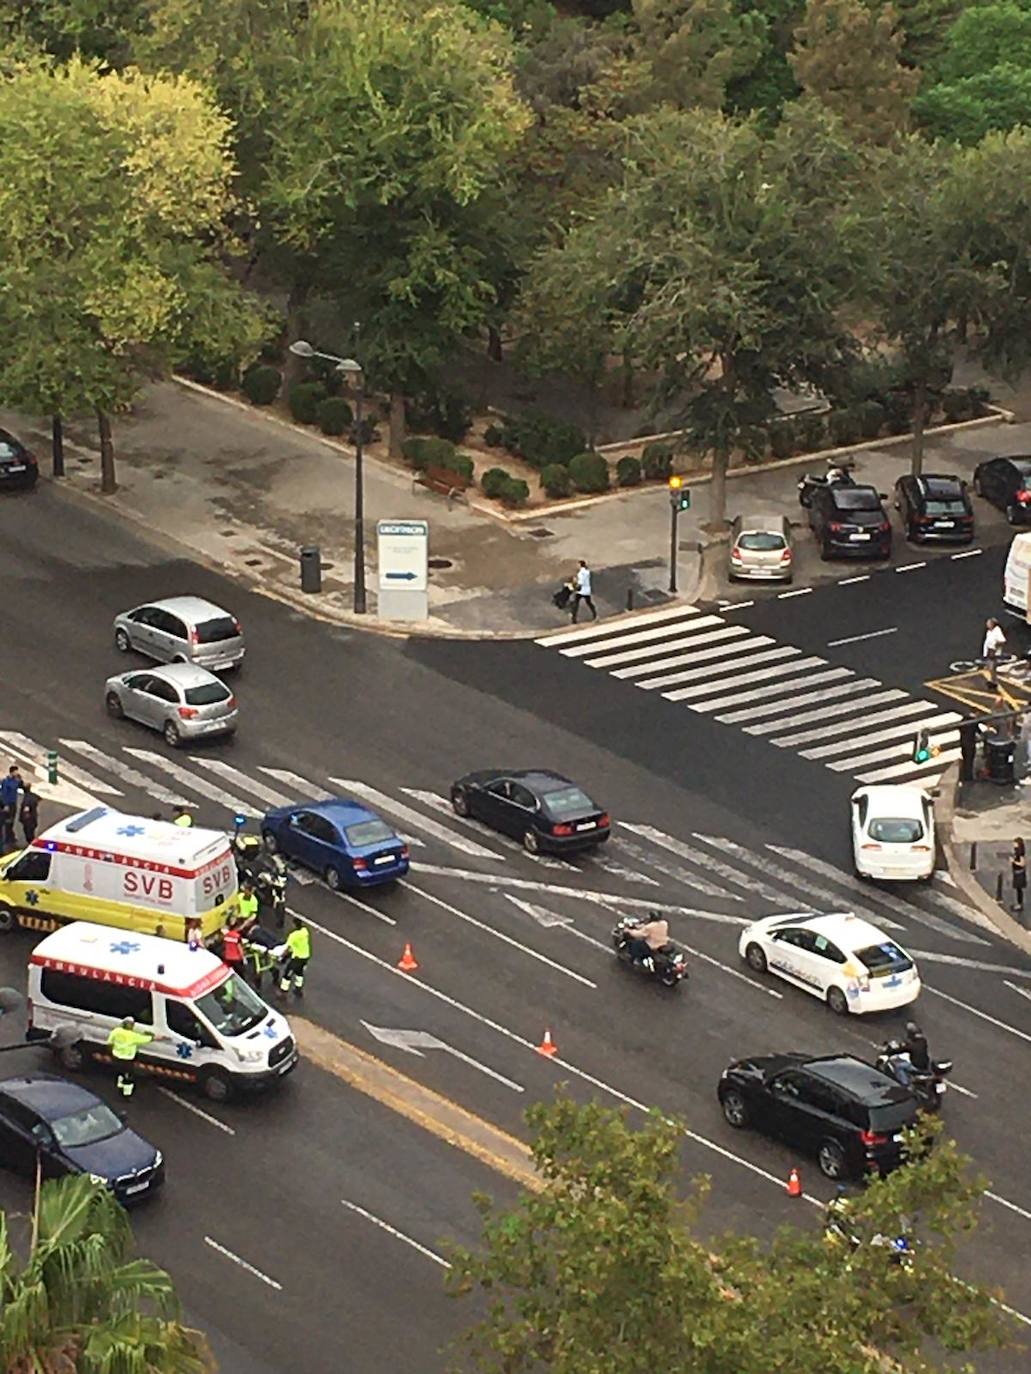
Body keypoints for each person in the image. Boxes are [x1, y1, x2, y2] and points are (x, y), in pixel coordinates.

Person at [106, 1016, 155, 1098]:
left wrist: (111, 1054)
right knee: (128, 1077)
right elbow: (147, 1039)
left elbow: (109, 1043)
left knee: (119, 1073)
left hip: (116, 1057)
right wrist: (153, 1036)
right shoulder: (133, 1036)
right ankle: (126, 1094)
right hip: (128, 1059)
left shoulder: (116, 1031)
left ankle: (120, 1087)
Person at [279, 916, 312, 996]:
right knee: (299, 972)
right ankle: (298, 989)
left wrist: (282, 956)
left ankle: (283, 992)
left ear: (294, 925)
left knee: (287, 974)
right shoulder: (305, 931)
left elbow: (287, 947)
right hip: (306, 956)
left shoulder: (293, 935)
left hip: (297, 957)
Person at [0, 764, 21, 849]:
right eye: (16, 771)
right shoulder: (6, 781)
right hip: (8, 804)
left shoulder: (16, 780)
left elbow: (20, 786)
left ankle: (10, 836)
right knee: (6, 821)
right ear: (12, 772)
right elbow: (3, 794)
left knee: (11, 821)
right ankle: (7, 839)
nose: (17, 773)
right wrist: (5, 805)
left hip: (13, 803)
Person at [571, 560, 597, 624]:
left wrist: (576, 585)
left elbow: (581, 581)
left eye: (578, 565)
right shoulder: (587, 572)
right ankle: (595, 614)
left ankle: (574, 618)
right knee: (589, 603)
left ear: (580, 565)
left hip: (581, 590)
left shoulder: (581, 573)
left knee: (576, 604)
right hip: (586, 589)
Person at [1012, 837, 1027, 913]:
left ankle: (1020, 904)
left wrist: (1014, 862)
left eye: (1015, 843)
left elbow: (1022, 863)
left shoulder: (1020, 853)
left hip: (1019, 873)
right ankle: (1019, 904)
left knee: (1019, 889)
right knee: (1018, 889)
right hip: (1017, 872)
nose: (1013, 844)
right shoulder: (1016, 851)